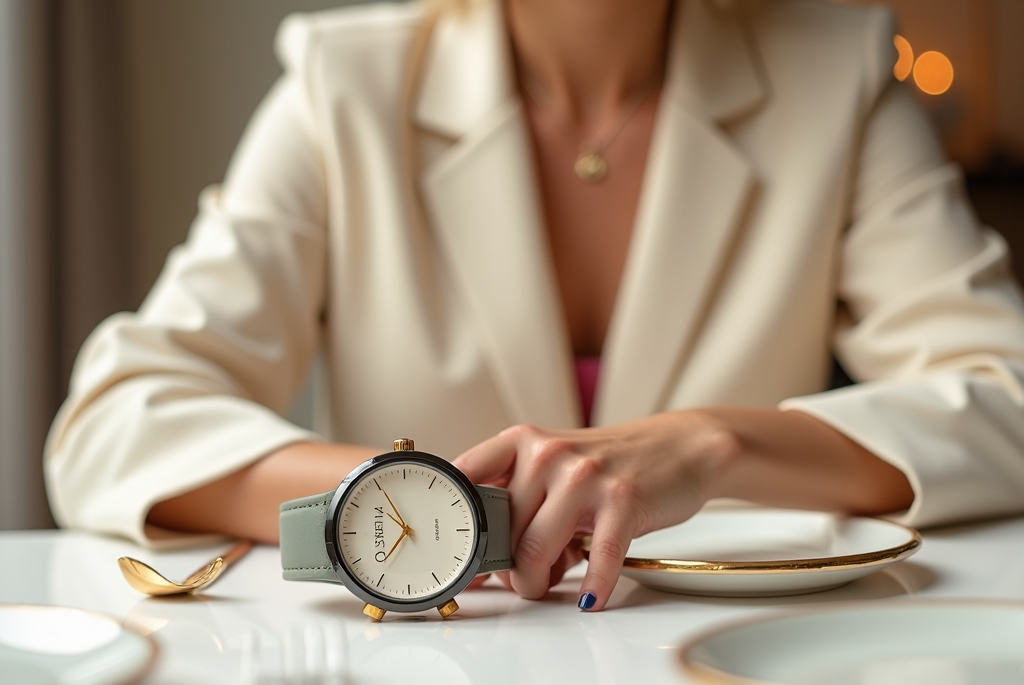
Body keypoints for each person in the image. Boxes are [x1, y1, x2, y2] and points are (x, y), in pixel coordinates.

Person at [45, 0, 1024, 611]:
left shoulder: (842, 72)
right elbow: (113, 422)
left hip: (729, 673)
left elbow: (1006, 393)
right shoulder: (342, 86)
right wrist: (423, 513)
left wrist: (708, 445)